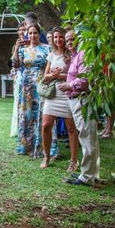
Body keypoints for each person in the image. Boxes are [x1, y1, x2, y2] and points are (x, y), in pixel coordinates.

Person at [58, 29, 100, 186]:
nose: (69, 43)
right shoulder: (77, 56)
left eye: (72, 39)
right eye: (67, 40)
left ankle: (87, 176)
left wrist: (68, 85)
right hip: (78, 99)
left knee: (87, 136)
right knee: (90, 137)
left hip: (82, 99)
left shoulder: (82, 55)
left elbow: (84, 81)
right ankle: (92, 173)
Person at [40, 27, 79, 171]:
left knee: (71, 128)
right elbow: (45, 76)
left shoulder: (72, 54)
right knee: (45, 125)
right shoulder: (51, 55)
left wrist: (57, 75)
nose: (58, 40)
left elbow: (73, 75)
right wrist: (51, 76)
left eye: (60, 37)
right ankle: (46, 156)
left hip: (67, 92)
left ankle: (74, 161)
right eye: (55, 37)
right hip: (53, 93)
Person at [13, 22, 51, 157]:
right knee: (27, 114)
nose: (33, 35)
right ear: (26, 35)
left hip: (41, 84)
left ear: (39, 34)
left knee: (41, 114)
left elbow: (50, 66)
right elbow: (16, 65)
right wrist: (17, 49)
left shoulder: (47, 49)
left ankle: (41, 147)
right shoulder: (23, 49)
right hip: (26, 85)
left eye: (35, 33)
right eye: (30, 33)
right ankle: (25, 146)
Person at [10, 22, 25, 137]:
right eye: (19, 30)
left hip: (29, 76)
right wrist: (16, 48)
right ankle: (18, 128)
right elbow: (14, 64)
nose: (21, 32)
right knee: (18, 102)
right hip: (19, 76)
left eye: (23, 30)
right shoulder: (16, 45)